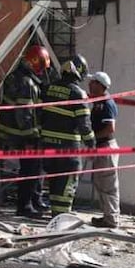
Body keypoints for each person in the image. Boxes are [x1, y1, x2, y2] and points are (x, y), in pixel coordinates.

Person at [0, 44, 50, 218]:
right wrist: (31, 137)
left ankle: (35, 200)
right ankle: (25, 206)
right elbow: (25, 114)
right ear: (34, 62)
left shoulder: (17, 76)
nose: (42, 71)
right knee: (30, 169)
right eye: (41, 67)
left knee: (35, 167)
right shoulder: (26, 83)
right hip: (20, 135)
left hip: (12, 132)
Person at [38, 54, 95, 216]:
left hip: (47, 147)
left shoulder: (47, 89)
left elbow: (38, 115)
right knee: (66, 184)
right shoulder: (78, 94)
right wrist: (92, 144)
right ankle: (62, 218)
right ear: (80, 73)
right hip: (68, 150)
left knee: (54, 181)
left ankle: (55, 216)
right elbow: (84, 126)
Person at [88, 71, 120, 228]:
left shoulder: (107, 103)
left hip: (106, 147)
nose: (89, 84)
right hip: (100, 147)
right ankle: (107, 216)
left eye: (93, 82)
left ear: (100, 85)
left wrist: (93, 139)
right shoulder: (98, 102)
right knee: (100, 183)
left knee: (108, 185)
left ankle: (112, 219)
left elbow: (110, 128)